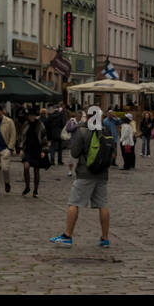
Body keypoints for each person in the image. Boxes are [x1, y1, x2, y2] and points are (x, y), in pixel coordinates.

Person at [51, 106, 113, 248]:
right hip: (103, 173)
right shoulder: (106, 130)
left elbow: (74, 153)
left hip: (85, 173)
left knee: (74, 203)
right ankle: (105, 238)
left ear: (89, 116)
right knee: (103, 205)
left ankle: (67, 235)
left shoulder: (83, 130)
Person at [20, 109, 48, 196]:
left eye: (33, 116)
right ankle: (27, 186)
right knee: (26, 167)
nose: (31, 117)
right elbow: (22, 137)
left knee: (36, 170)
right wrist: (21, 149)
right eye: (30, 116)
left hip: (37, 149)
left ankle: (35, 190)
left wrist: (44, 150)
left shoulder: (40, 124)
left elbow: (44, 137)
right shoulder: (25, 124)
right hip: (27, 149)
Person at [63, 111, 79, 177]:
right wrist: (76, 126)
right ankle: (70, 171)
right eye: (79, 116)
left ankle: (78, 171)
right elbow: (68, 129)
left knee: (79, 159)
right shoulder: (71, 121)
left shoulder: (83, 122)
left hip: (80, 142)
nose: (80, 117)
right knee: (71, 158)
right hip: (72, 142)